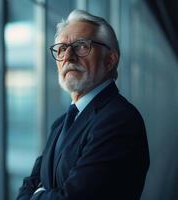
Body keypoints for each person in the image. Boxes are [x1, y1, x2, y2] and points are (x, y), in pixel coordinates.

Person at [16, 10, 150, 200]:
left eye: (81, 46)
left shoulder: (120, 120)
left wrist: (37, 194)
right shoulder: (60, 123)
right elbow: (26, 187)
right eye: (61, 48)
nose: (68, 56)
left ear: (110, 60)